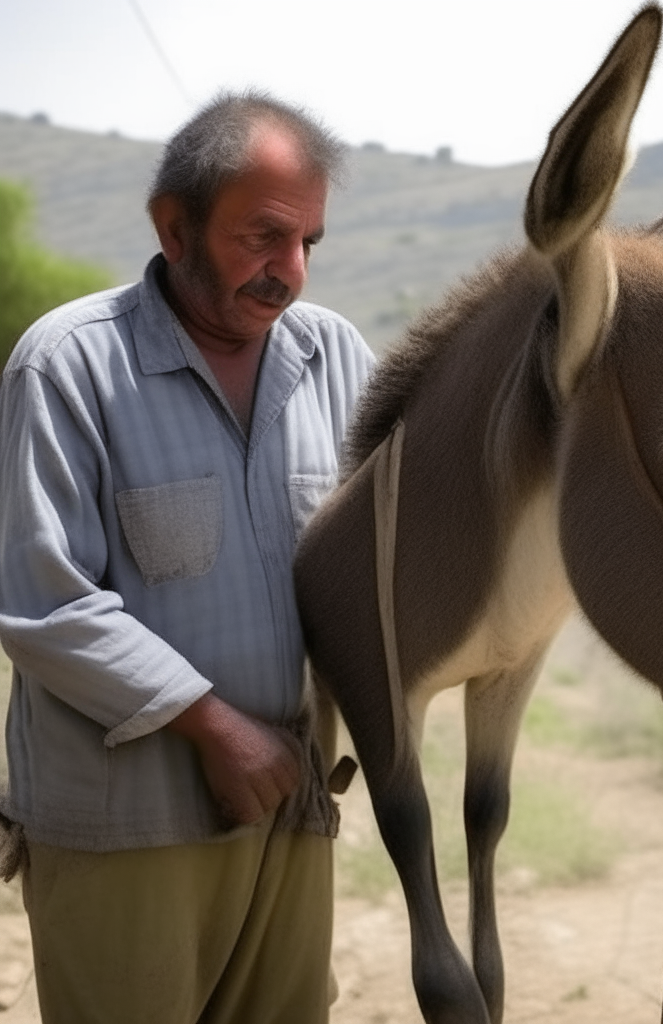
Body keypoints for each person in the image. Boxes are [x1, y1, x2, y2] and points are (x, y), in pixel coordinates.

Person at [0, 91, 374, 1024]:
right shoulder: (68, 366)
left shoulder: (336, 360)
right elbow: (43, 601)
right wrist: (213, 726)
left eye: (308, 244)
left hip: (288, 811)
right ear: (175, 226)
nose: (288, 272)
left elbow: (380, 558)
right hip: (127, 829)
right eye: (263, 237)